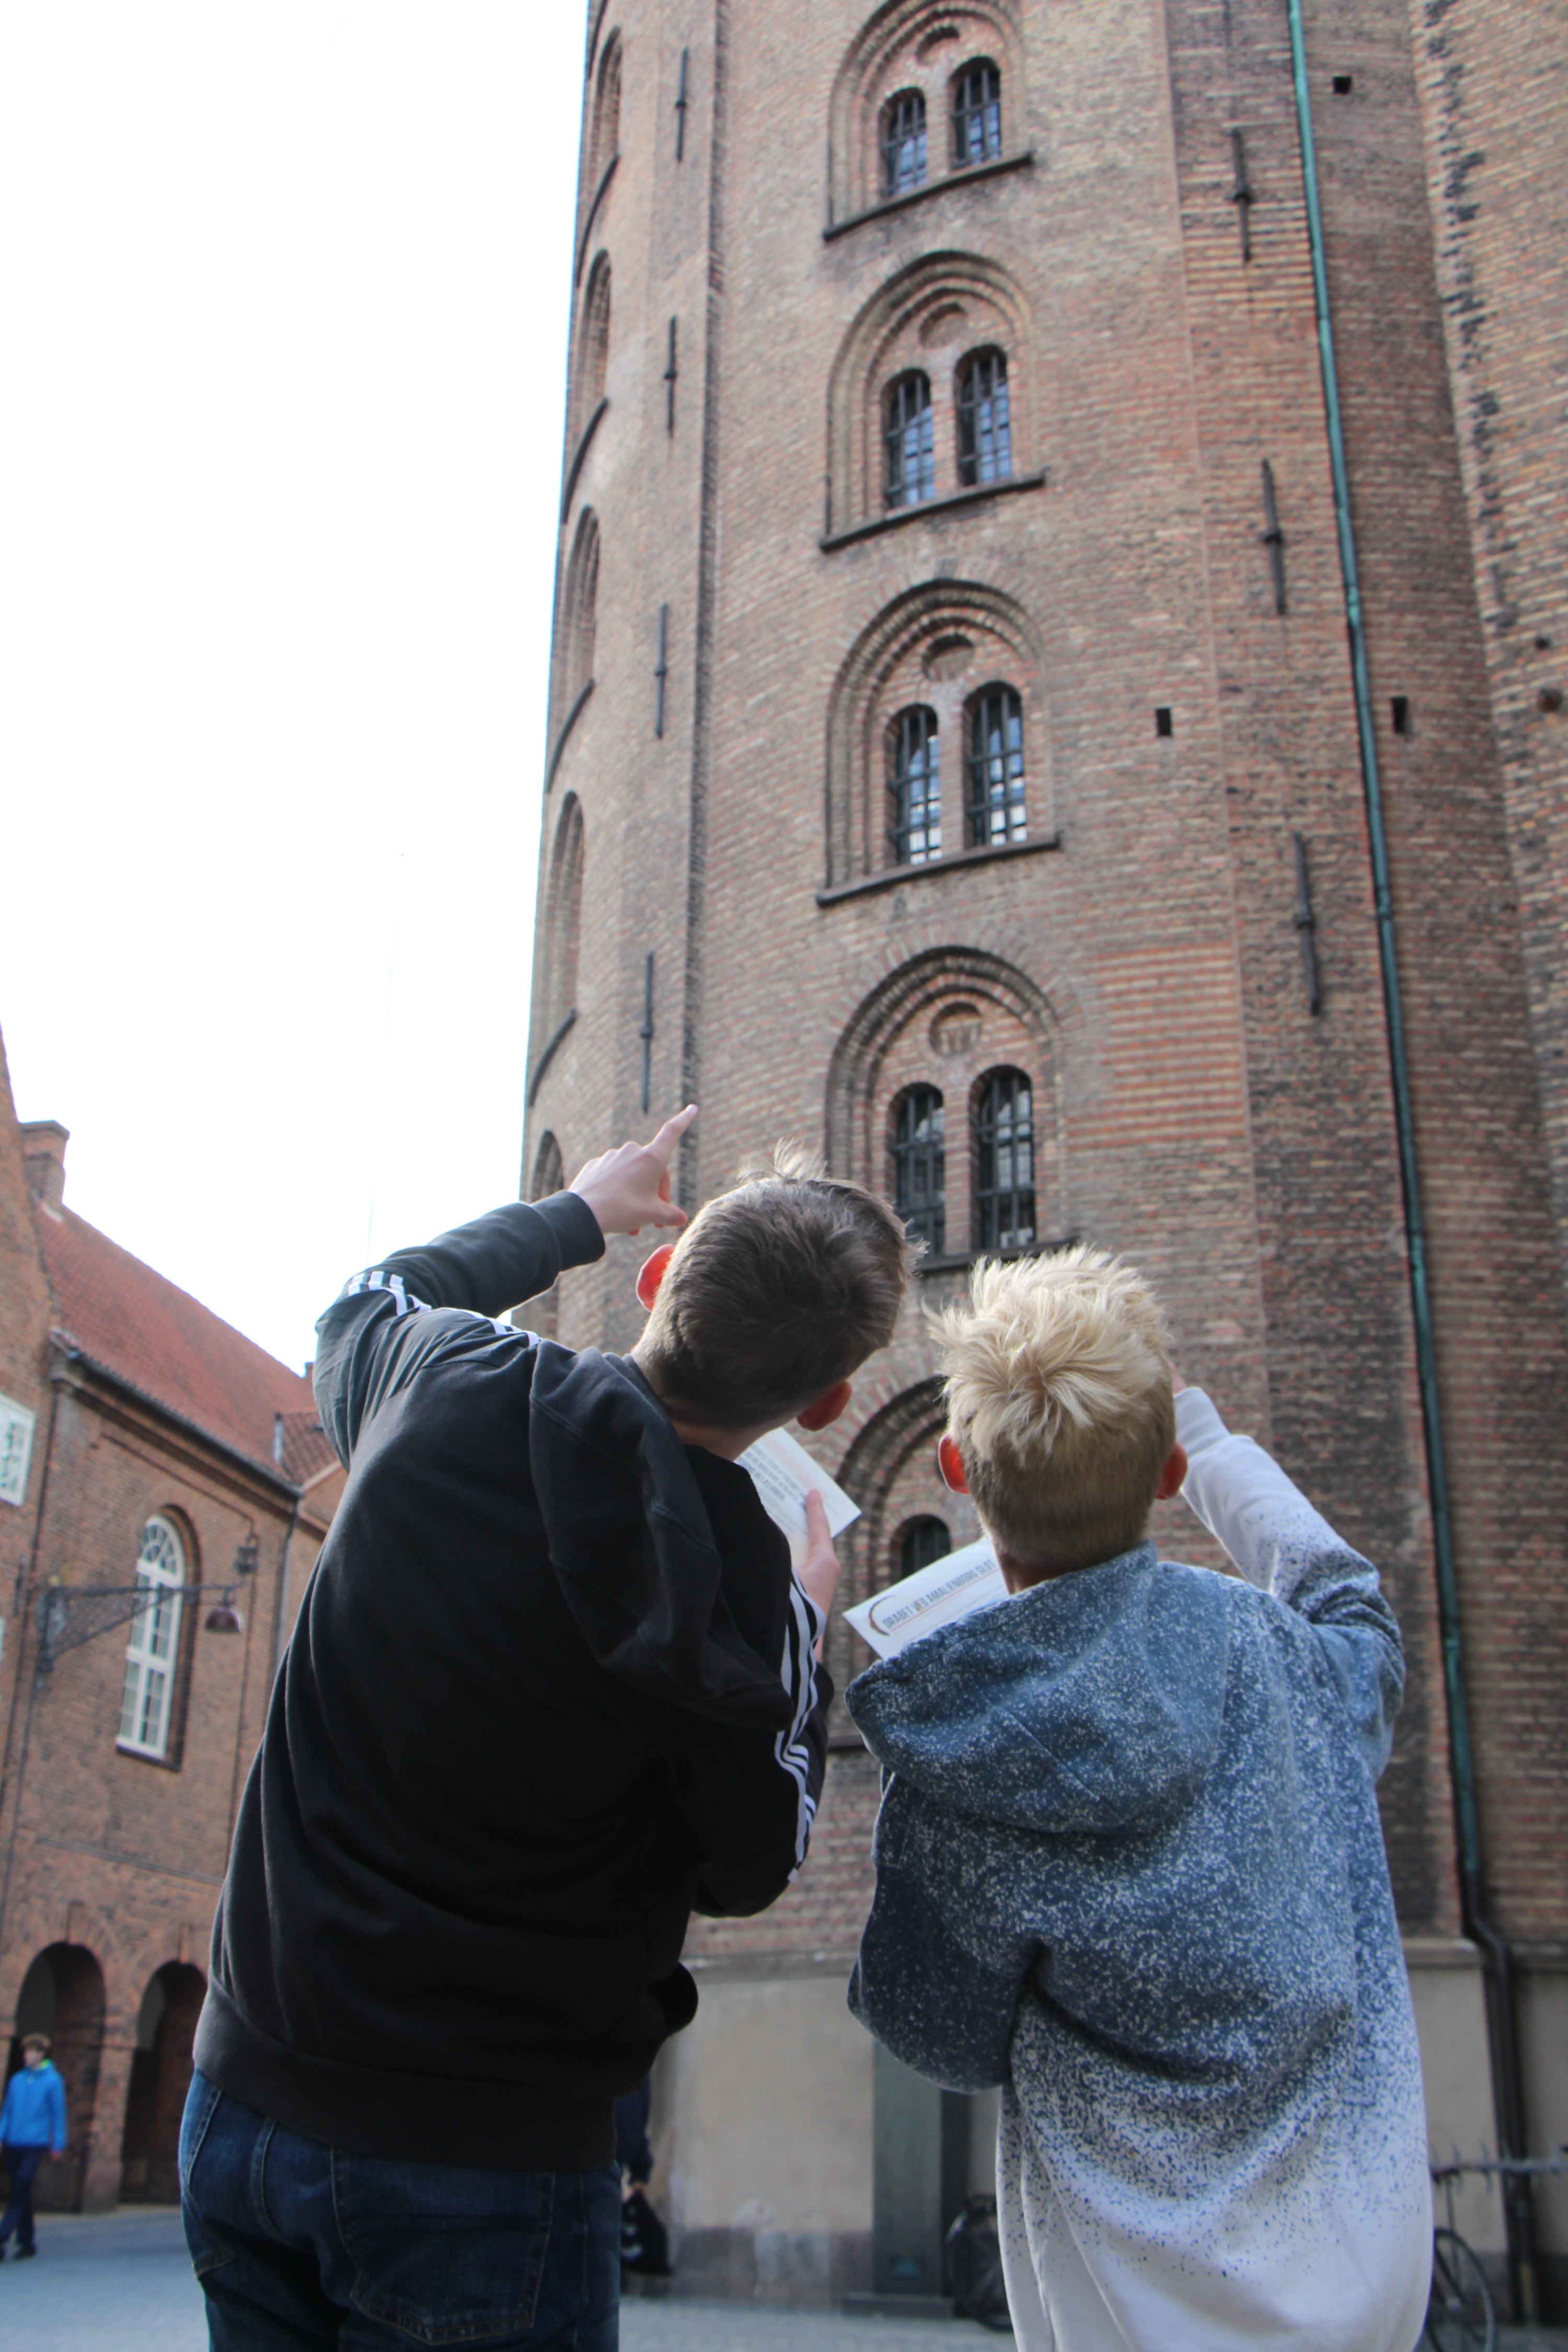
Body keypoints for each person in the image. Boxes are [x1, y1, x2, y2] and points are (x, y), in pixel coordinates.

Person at [181, 1112, 914, 2349]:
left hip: (245, 2091)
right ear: (825, 1400)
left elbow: (367, 1297)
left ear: (653, 1277)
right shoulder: (744, 1595)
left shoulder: (443, 1378)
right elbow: (753, 1864)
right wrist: (802, 1620)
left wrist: (576, 1206)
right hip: (485, 2166)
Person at [847, 1246, 1431, 2352]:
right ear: (1164, 1475)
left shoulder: (959, 1747)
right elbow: (1356, 1611)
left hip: (1115, 2305)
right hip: (1362, 2271)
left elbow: (935, 2033)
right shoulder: (1287, 1666)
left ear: (957, 1472)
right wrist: (1211, 1447)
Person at [0, 2034, 67, 2262]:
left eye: (32, 2053)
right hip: (14, 2142)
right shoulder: (17, 2080)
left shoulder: (52, 2081)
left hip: (35, 2143)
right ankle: (27, 2242)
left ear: (42, 2055)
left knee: (20, 2185)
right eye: (26, 2053)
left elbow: (58, 2115)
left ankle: (3, 2235)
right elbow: (7, 2111)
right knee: (22, 2191)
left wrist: (57, 2143)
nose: (28, 2057)